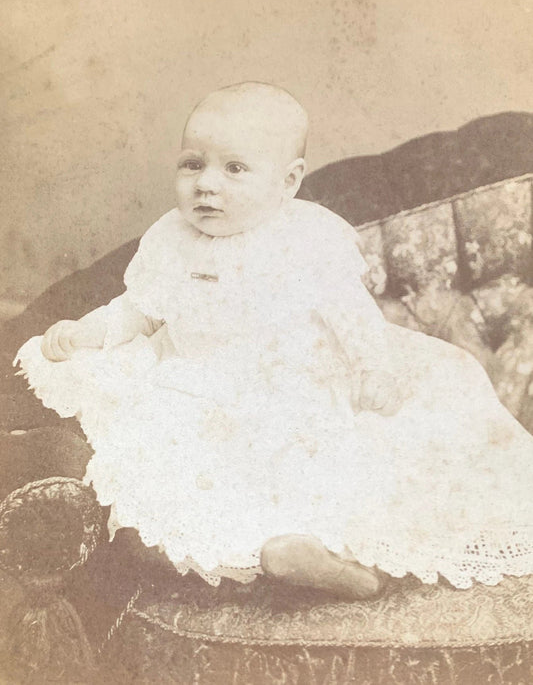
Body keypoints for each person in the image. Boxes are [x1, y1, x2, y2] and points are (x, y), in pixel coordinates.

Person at [15, 82, 533, 601]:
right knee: (166, 468)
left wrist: (372, 368)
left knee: (335, 463)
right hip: (200, 386)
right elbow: (140, 308)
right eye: (192, 165)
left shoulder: (306, 239)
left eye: (234, 169)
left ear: (288, 182)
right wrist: (86, 332)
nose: (206, 185)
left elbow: (352, 315)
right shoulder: (171, 238)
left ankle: (344, 560)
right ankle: (247, 554)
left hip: (295, 386)